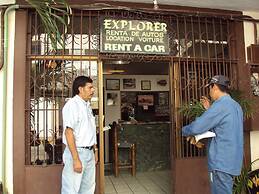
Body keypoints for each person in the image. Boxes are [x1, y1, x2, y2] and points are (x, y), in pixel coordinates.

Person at [182, 75, 243, 194]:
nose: (209, 92)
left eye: (209, 88)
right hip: (231, 159)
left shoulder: (220, 106)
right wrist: (209, 110)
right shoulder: (235, 105)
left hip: (220, 161)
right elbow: (224, 127)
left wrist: (183, 130)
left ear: (214, 86)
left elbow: (197, 127)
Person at [61, 76, 98, 194]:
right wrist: (76, 159)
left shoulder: (86, 105)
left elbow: (90, 130)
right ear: (80, 89)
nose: (93, 90)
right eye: (90, 87)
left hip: (89, 153)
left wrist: (95, 151)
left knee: (88, 189)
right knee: (71, 190)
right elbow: (69, 132)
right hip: (77, 153)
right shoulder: (72, 105)